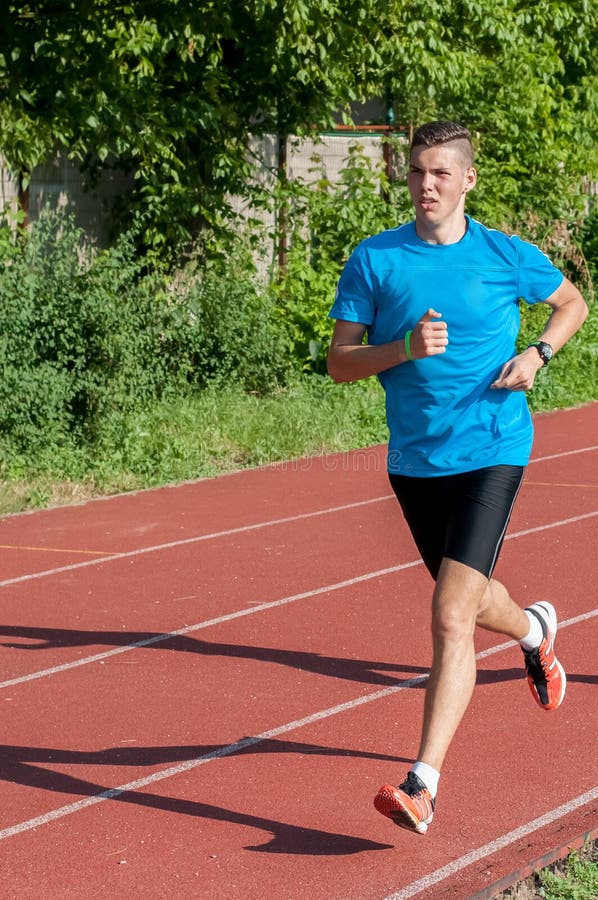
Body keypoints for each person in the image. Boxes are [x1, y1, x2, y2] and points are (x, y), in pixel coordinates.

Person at [327, 120, 588, 835]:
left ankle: (423, 784)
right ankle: (535, 630)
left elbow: (572, 303)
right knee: (469, 601)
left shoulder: (505, 254)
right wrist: (402, 347)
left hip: (495, 447)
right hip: (416, 463)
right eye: (416, 173)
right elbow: (340, 362)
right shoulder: (376, 260)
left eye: (440, 173)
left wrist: (537, 354)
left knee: (449, 612)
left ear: (467, 180)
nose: (425, 185)